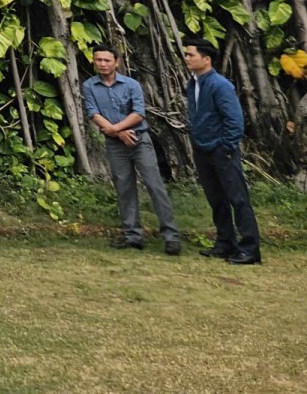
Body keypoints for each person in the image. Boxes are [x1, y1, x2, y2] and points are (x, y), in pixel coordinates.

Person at [81, 48, 179, 253]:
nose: (102, 64)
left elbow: (138, 113)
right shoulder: (89, 86)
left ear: (116, 63)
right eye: (98, 60)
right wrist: (117, 134)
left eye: (107, 60)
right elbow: (93, 113)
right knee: (124, 188)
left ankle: (171, 236)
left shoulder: (131, 84)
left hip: (138, 139)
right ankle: (132, 235)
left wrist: (116, 128)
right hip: (115, 144)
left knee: (155, 185)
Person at [183, 37, 260, 264]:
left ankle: (250, 249)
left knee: (238, 199)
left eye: (191, 54)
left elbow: (234, 119)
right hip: (202, 150)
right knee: (216, 199)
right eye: (186, 54)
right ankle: (225, 242)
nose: (186, 58)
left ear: (206, 59)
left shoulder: (220, 85)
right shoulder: (194, 83)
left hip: (221, 150)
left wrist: (227, 146)